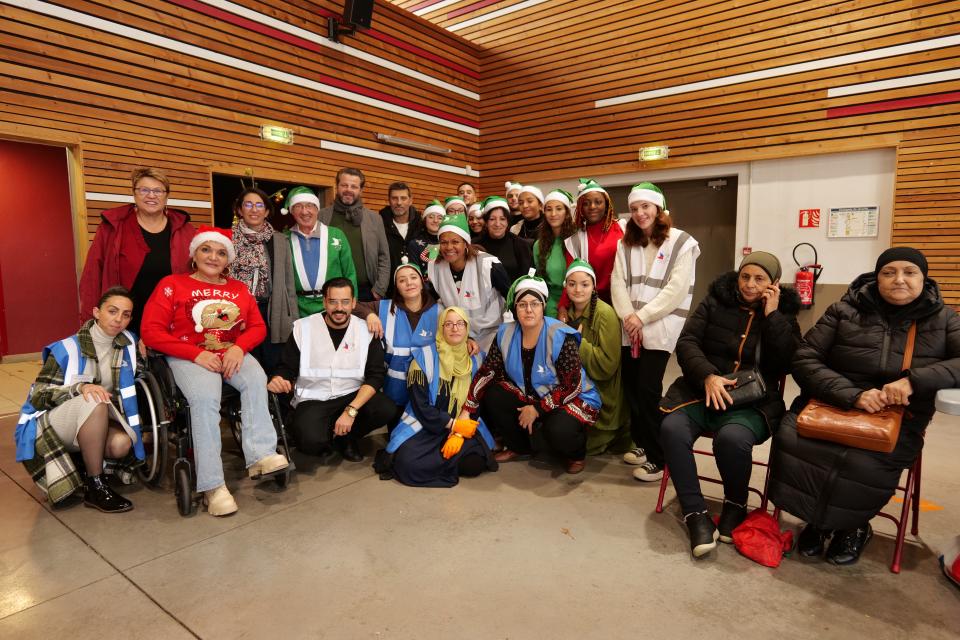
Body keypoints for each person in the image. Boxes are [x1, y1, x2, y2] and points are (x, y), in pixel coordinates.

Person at [769, 247, 960, 566]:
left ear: (924, 279)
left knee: (864, 462)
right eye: (889, 272)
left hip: (898, 416)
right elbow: (803, 358)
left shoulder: (943, 318)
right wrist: (852, 395)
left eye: (909, 272)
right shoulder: (844, 310)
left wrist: (915, 380)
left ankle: (853, 525)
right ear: (877, 277)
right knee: (795, 439)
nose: (899, 279)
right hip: (831, 402)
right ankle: (817, 521)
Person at [659, 253, 801, 557]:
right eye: (745, 276)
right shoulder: (715, 302)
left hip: (753, 402)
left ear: (774, 283)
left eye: (759, 279)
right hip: (701, 390)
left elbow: (789, 363)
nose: (749, 284)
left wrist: (773, 315)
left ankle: (736, 503)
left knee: (732, 439)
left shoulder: (784, 315)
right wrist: (707, 376)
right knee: (671, 428)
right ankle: (695, 513)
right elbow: (687, 343)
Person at [141, 227, 289, 516]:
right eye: (206, 249)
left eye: (221, 252)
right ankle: (213, 485)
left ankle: (261, 454)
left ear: (228, 260)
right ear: (194, 254)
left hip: (231, 352)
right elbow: (151, 331)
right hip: (188, 356)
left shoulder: (238, 289)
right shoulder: (172, 285)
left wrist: (239, 347)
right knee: (206, 398)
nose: (213, 256)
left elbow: (258, 326)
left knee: (256, 378)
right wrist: (196, 353)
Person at [16, 287, 145, 512]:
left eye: (126, 314)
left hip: (95, 418)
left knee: (121, 444)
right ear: (96, 312)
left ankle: (83, 464)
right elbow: (38, 396)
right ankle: (96, 485)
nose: (118, 319)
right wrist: (79, 387)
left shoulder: (128, 345)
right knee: (94, 398)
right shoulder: (67, 348)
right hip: (53, 423)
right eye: (112, 311)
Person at [461, 271, 601, 474]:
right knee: (494, 395)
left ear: (543, 306)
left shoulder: (561, 335)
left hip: (573, 397)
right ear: (515, 308)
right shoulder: (504, 332)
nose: (528, 310)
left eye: (534, 304)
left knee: (559, 430)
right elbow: (487, 372)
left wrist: (537, 409)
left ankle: (575, 454)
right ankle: (520, 447)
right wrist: (468, 408)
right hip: (531, 394)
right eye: (522, 304)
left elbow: (572, 385)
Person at [611, 182, 700, 482]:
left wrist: (642, 316)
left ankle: (661, 457)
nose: (639, 213)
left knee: (649, 391)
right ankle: (644, 444)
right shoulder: (626, 243)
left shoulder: (681, 242)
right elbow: (617, 282)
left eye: (645, 207)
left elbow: (676, 290)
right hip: (630, 328)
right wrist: (628, 317)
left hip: (659, 327)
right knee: (633, 390)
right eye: (635, 209)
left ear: (658, 208)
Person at [267, 277, 396, 463]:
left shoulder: (366, 331)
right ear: (324, 302)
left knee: (385, 408)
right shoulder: (303, 328)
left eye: (345, 302)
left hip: (353, 395)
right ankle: (325, 435)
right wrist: (279, 378)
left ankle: (347, 438)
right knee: (310, 443)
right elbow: (286, 367)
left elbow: (375, 376)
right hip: (314, 399)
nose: (339, 308)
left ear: (353, 303)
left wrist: (350, 411)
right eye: (333, 301)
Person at [383, 307, 498, 487]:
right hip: (425, 426)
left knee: (474, 465)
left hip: (462, 424)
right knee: (408, 464)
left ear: (467, 329)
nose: (455, 328)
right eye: (449, 324)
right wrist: (452, 424)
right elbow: (420, 407)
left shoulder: (476, 359)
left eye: (460, 324)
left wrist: (458, 433)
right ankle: (441, 463)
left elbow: (476, 401)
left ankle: (438, 462)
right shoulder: (423, 358)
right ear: (441, 328)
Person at [79, 167, 197, 334]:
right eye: (144, 190)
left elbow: (200, 273)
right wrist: (89, 322)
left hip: (171, 321)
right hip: (123, 320)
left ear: (166, 195)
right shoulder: (112, 227)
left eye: (158, 191)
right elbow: (92, 275)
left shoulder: (185, 229)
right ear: (134, 193)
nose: (151, 195)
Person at [354, 259, 441, 420]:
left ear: (422, 282)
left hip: (429, 392)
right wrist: (370, 314)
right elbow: (352, 305)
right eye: (402, 280)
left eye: (413, 278)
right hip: (395, 393)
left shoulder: (440, 310)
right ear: (397, 287)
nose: (409, 283)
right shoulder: (384, 308)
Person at [270, 186, 357, 343]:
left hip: (332, 307)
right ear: (291, 211)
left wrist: (351, 305)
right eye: (298, 206)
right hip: (300, 309)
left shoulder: (336, 235)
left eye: (309, 206)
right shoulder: (285, 239)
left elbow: (349, 273)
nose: (305, 211)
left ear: (317, 209)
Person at [564, 260, 629, 455]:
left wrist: (578, 343)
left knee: (580, 448)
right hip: (576, 389)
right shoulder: (567, 314)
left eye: (585, 284)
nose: (578, 290)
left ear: (593, 287)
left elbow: (608, 365)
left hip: (602, 394)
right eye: (572, 284)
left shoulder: (605, 314)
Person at [427, 214, 509, 352]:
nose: (449, 247)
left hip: (492, 334)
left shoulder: (488, 265)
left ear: (465, 243)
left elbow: (511, 297)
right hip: (457, 336)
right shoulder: (434, 267)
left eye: (455, 242)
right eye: (444, 242)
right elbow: (434, 302)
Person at [318, 167, 390, 301]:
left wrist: (379, 289)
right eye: (344, 185)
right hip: (331, 290)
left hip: (367, 292)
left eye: (354, 186)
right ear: (337, 186)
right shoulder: (322, 216)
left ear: (361, 190)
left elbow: (384, 256)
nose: (348, 190)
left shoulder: (374, 218)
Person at [231, 187, 280, 372]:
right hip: (239, 309)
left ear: (266, 211)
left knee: (272, 360)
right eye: (248, 204)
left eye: (259, 205)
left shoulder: (278, 240)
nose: (254, 209)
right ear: (239, 210)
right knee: (246, 362)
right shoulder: (228, 237)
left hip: (269, 308)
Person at [563, 178, 626, 308]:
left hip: (625, 300)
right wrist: (563, 306)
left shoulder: (623, 228)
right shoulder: (574, 241)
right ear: (580, 207)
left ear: (607, 205)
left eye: (598, 202)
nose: (592, 207)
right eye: (586, 203)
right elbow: (571, 278)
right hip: (594, 305)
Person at [533, 189, 575, 318]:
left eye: (559, 209)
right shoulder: (539, 246)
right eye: (549, 209)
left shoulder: (576, 240)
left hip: (577, 300)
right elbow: (541, 280)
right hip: (552, 303)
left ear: (567, 212)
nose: (553, 214)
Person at [476, 195, 533, 282]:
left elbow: (527, 278)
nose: (497, 224)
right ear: (486, 222)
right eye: (492, 219)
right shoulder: (476, 245)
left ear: (508, 222)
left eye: (502, 219)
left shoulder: (521, 245)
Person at [378, 181, 421, 295]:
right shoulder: (379, 223)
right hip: (388, 291)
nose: (399, 202)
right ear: (389, 200)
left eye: (403, 198)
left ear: (410, 200)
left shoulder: (421, 224)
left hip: (417, 290)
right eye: (394, 198)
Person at [407, 200, 444, 273]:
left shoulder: (448, 243)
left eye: (440, 218)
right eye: (431, 217)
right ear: (425, 219)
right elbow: (414, 273)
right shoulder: (415, 244)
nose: (435, 220)